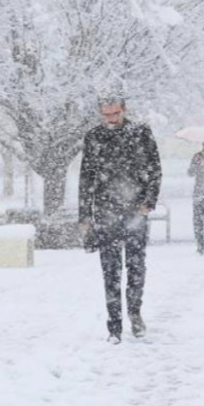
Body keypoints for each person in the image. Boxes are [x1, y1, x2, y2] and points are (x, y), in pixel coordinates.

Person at [78, 97, 162, 343]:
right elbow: (86, 177)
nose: (111, 119)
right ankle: (113, 325)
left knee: (136, 266)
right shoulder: (94, 137)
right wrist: (85, 215)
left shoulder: (141, 133)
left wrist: (149, 201)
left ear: (124, 111)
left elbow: (154, 169)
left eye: (115, 113)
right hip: (105, 212)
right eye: (106, 115)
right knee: (110, 270)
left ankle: (135, 313)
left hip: (136, 210)